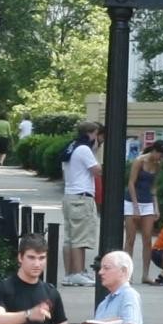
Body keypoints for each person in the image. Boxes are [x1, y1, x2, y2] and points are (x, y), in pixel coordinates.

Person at [61, 121, 101, 286]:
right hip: (81, 197)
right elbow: (97, 170)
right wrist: (96, 150)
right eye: (96, 134)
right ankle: (78, 272)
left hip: (70, 195)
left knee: (70, 238)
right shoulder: (84, 149)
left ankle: (70, 274)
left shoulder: (71, 148)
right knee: (80, 238)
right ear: (91, 134)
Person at [124, 140, 163, 284]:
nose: (161, 158)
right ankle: (128, 274)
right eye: (160, 155)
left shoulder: (158, 165)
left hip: (147, 201)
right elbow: (131, 183)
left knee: (147, 239)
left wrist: (156, 207)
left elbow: (153, 187)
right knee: (130, 239)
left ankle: (145, 274)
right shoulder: (139, 161)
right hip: (132, 200)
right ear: (154, 151)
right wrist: (136, 207)